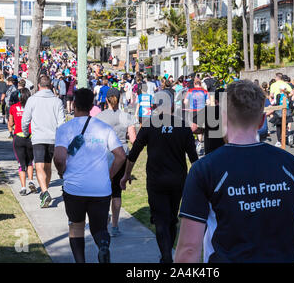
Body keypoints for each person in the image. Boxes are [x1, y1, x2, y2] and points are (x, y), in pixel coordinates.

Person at [174, 80, 294, 263]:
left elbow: (188, 249)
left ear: (223, 118)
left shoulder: (204, 169)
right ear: (261, 121)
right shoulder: (291, 165)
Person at [120, 95, 198, 263]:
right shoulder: (183, 126)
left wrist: (126, 174)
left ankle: (166, 256)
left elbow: (134, 153)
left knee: (161, 219)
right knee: (171, 218)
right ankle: (167, 254)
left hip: (156, 180)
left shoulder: (149, 125)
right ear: (172, 107)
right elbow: (194, 159)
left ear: (155, 106)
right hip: (178, 180)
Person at [54, 88, 126, 263]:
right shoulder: (104, 128)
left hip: (75, 188)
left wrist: (61, 170)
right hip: (100, 189)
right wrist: (110, 175)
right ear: (92, 105)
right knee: (99, 228)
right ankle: (103, 245)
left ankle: (80, 261)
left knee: (76, 226)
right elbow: (121, 155)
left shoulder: (65, 129)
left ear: (74, 105)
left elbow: (59, 157)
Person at [96, 88, 137, 237]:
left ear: (106, 99)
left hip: (104, 155)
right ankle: (115, 226)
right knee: (117, 192)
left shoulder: (99, 117)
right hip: (122, 154)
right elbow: (133, 140)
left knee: (103, 190)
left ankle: (103, 220)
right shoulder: (127, 116)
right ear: (120, 99)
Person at [22, 75, 65, 208]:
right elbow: (61, 122)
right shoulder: (57, 101)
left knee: (39, 166)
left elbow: (25, 120)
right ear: (51, 85)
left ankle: (45, 191)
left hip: (38, 137)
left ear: (39, 86)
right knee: (48, 166)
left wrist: (25, 133)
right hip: (53, 138)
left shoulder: (32, 100)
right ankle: (45, 190)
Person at [8, 88, 37, 196]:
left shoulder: (13, 108)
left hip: (18, 138)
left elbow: (10, 124)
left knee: (21, 164)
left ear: (19, 96)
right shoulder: (33, 108)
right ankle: (31, 181)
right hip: (31, 137)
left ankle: (23, 187)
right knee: (30, 162)